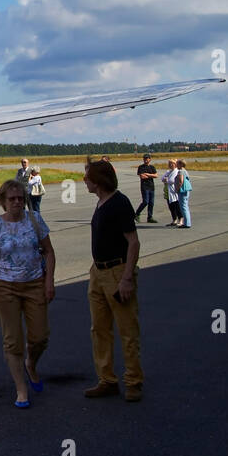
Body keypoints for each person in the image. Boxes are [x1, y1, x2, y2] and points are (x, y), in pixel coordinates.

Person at [0, 179, 56, 408]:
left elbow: (49, 252)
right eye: (12, 199)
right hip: (6, 287)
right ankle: (21, 389)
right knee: (12, 341)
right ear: (3, 201)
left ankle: (31, 363)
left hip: (35, 283)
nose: (17, 202)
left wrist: (49, 281)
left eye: (21, 199)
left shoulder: (35, 220)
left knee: (40, 337)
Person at [81, 160, 143, 401]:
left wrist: (127, 277)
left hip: (117, 272)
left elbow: (133, 242)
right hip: (97, 272)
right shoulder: (101, 202)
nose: (85, 180)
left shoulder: (120, 202)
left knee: (127, 330)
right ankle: (106, 379)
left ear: (98, 180)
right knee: (99, 330)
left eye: (87, 177)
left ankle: (134, 381)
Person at [134, 153, 158, 223]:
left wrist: (147, 174)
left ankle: (150, 217)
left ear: (150, 159)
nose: (146, 160)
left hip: (151, 186)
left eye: (147, 158)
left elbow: (156, 175)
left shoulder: (152, 167)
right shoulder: (141, 167)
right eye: (144, 158)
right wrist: (151, 175)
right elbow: (142, 176)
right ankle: (137, 213)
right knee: (145, 202)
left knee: (151, 203)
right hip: (144, 186)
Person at [162, 160, 180, 225]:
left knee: (177, 206)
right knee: (171, 207)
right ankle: (174, 220)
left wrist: (166, 180)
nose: (171, 165)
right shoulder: (168, 171)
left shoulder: (176, 171)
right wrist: (166, 180)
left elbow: (172, 180)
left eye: (172, 164)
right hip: (167, 192)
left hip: (174, 191)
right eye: (170, 164)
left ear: (175, 164)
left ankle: (181, 220)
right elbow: (162, 178)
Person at [175, 160, 192, 228]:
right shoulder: (185, 171)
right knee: (185, 206)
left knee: (183, 207)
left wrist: (177, 189)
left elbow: (181, 181)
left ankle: (187, 223)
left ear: (181, 164)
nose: (176, 165)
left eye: (177, 164)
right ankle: (187, 222)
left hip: (182, 191)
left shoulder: (181, 171)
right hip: (186, 190)